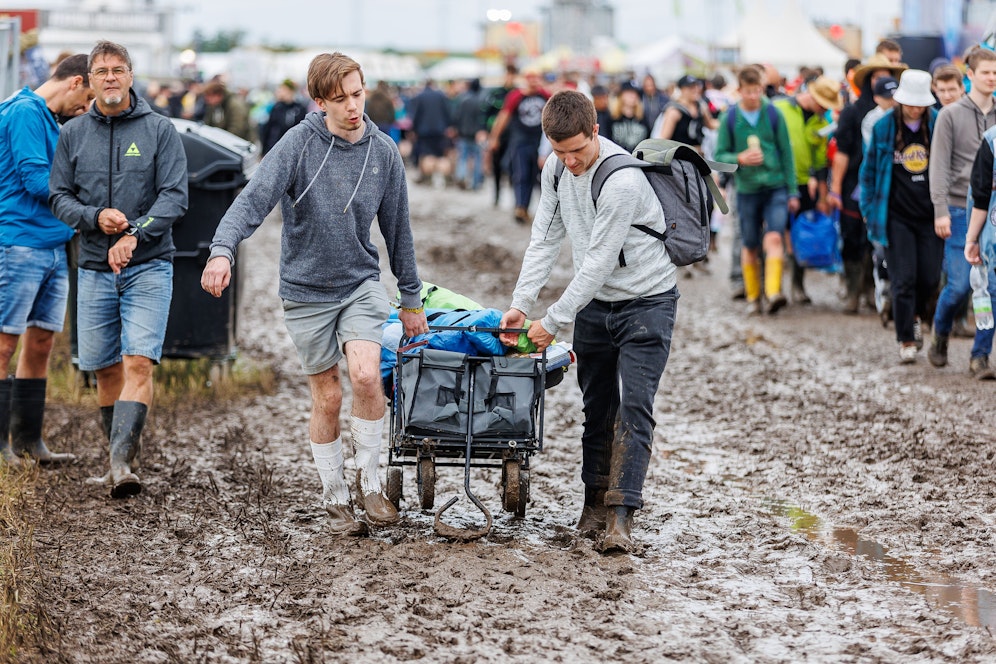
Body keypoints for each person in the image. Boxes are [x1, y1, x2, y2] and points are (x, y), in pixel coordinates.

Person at [200, 52, 429, 535]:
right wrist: (222, 249)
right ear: (320, 100)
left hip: (360, 283)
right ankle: (335, 495)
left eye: (358, 94)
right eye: (341, 99)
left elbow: (398, 231)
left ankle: (369, 483)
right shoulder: (298, 145)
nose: (353, 107)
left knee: (367, 377)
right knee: (327, 398)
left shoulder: (383, 152)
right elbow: (253, 199)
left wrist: (411, 299)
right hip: (305, 291)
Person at [498, 90, 679, 554]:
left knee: (634, 410)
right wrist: (521, 303)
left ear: (595, 131)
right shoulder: (555, 168)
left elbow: (596, 262)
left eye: (577, 150)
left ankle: (621, 516)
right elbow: (544, 240)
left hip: (647, 301)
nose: (570, 161)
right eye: (559, 151)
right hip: (596, 307)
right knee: (595, 408)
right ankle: (592, 505)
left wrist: (553, 321)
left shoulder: (621, 182)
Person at [49, 41, 188, 497]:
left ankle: (122, 463)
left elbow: (174, 196)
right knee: (105, 369)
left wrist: (135, 233)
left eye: (118, 70)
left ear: (131, 76)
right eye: (101, 71)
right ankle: (118, 458)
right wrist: (93, 218)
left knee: (138, 362)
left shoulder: (159, 130)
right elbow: (58, 197)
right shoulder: (72, 134)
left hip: (148, 265)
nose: (110, 77)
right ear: (88, 80)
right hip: (92, 267)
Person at [0, 54, 93, 466]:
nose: (87, 109)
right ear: (75, 82)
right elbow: (37, 180)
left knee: (40, 343)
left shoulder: (52, 121)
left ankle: (28, 441)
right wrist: (92, 197)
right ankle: (0, 446)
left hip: (54, 246)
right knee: (4, 343)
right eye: (88, 97)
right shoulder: (23, 112)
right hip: (19, 242)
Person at [859, 70, 941, 364]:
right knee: (903, 278)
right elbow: (868, 173)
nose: (915, 109)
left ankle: (918, 314)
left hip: (930, 214)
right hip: (894, 215)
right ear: (900, 100)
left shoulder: (936, 123)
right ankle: (906, 337)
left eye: (920, 104)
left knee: (930, 278)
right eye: (911, 103)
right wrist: (868, 211)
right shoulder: (884, 127)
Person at [928, 48, 996, 378]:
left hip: (993, 212)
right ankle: (940, 333)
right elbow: (938, 167)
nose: (992, 77)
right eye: (986, 72)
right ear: (970, 75)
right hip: (957, 208)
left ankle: (980, 356)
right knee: (958, 285)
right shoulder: (950, 115)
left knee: (992, 286)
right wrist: (940, 209)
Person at [714, 66, 798, 315]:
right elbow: (719, 158)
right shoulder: (729, 118)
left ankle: (773, 293)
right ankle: (753, 297)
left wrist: (792, 191)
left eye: (758, 91)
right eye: (749, 92)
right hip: (746, 188)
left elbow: (786, 153)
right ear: (739, 91)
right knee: (749, 244)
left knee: (774, 237)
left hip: (775, 186)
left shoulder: (773, 114)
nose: (754, 97)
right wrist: (739, 158)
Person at [829, 54, 908, 313]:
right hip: (856, 182)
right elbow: (841, 152)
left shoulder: (902, 111)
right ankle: (853, 291)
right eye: (876, 77)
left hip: (890, 184)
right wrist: (836, 188)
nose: (882, 81)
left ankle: (875, 292)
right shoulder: (852, 112)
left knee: (881, 240)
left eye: (887, 76)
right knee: (852, 237)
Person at [772, 76, 843, 306]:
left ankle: (796, 285)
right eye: (823, 104)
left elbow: (820, 163)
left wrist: (823, 195)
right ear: (811, 95)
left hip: (804, 183)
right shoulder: (779, 108)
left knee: (798, 234)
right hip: (775, 181)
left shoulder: (822, 124)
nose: (825, 110)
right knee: (774, 232)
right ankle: (772, 287)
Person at [487, 67, 551, 223]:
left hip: (539, 141)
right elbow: (504, 116)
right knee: (521, 174)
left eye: (537, 77)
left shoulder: (546, 96)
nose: (534, 81)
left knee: (540, 177)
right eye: (531, 77)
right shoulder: (516, 96)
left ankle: (542, 211)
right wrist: (494, 137)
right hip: (520, 141)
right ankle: (521, 207)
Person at [964, 122, 996, 378]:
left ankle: (980, 355)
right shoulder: (991, 141)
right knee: (992, 293)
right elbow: (981, 195)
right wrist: (972, 238)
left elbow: (980, 196)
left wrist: (971, 239)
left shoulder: (991, 139)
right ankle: (980, 354)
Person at [409, 78, 453, 187]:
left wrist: (414, 129)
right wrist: (448, 126)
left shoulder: (420, 96)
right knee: (440, 155)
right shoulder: (441, 96)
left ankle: (427, 178)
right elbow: (447, 112)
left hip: (424, 131)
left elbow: (416, 115)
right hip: (440, 130)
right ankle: (444, 177)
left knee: (426, 154)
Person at [657, 74, 716, 153]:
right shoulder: (674, 111)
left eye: (696, 86)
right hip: (680, 158)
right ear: (682, 89)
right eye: (691, 87)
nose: (695, 90)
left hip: (698, 157)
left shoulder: (700, 106)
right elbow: (663, 139)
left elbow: (710, 124)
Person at [452, 78, 486, 190]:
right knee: (477, 160)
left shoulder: (463, 100)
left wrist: (458, 130)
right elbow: (483, 119)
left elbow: (457, 117)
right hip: (477, 135)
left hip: (464, 134)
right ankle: (476, 183)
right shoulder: (481, 101)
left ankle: (461, 176)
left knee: (463, 158)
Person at [260, 79, 308, 156]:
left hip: (292, 149)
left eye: (283, 90)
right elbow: (267, 129)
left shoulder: (299, 109)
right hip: (274, 147)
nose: (280, 92)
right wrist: (263, 151)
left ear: (291, 91)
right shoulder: (276, 107)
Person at [607, 82, 652, 153]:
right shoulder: (611, 118)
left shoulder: (642, 118)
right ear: (621, 95)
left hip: (637, 160)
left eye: (636, 94)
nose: (633, 96)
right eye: (629, 93)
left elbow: (648, 141)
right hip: (617, 159)